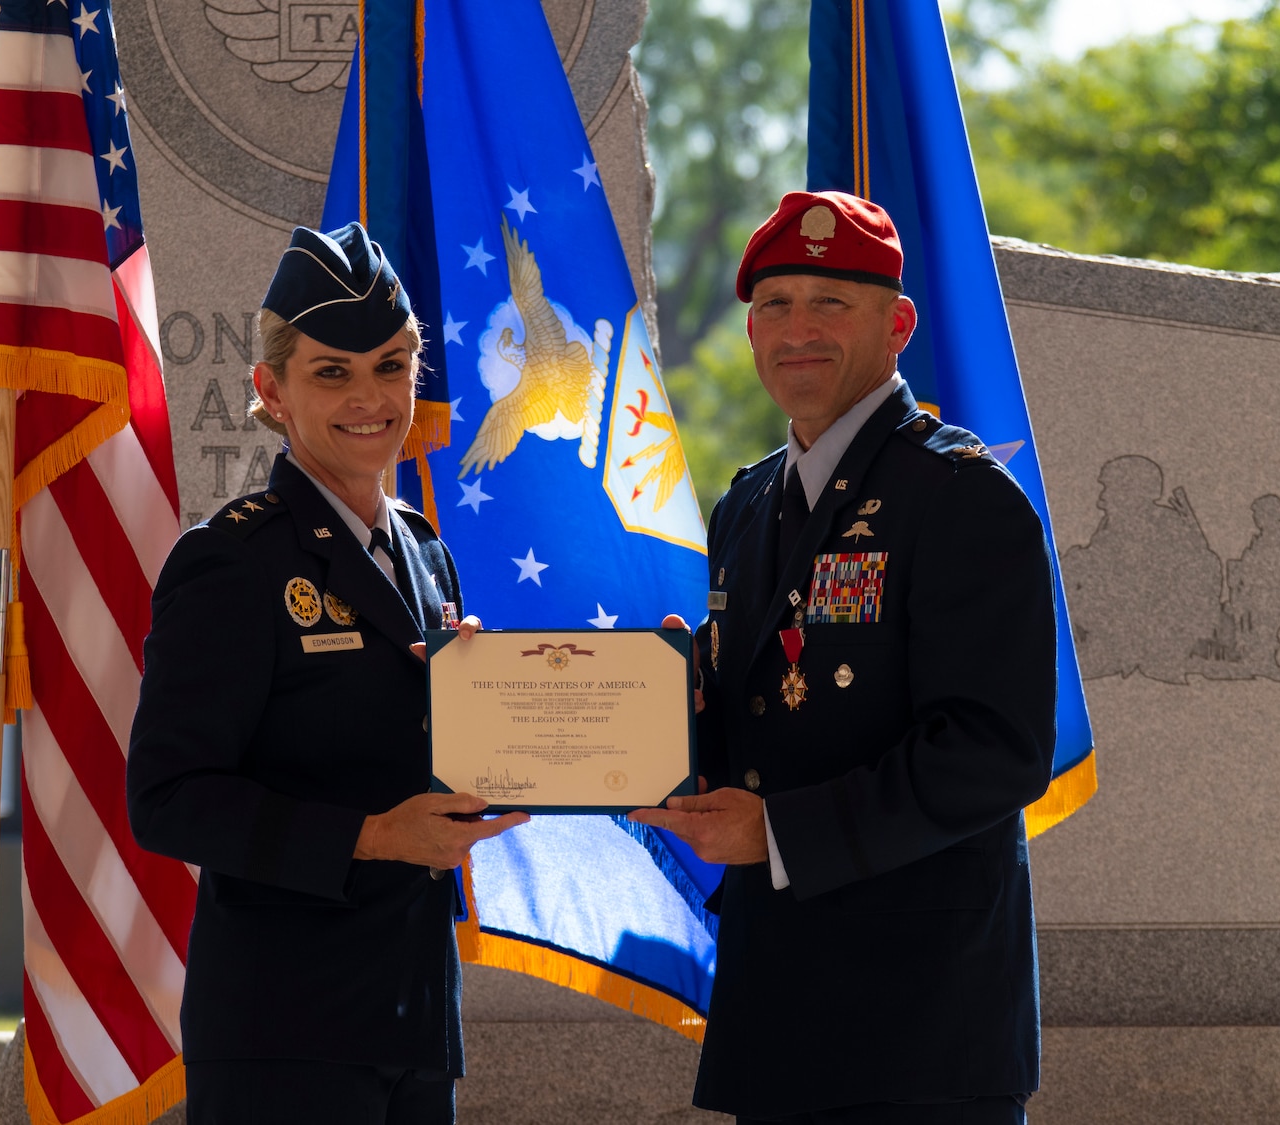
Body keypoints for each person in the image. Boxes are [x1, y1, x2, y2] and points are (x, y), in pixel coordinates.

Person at [630, 191, 1057, 1124]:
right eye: (775, 304)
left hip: (921, 1031)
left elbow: (997, 750)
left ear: (897, 324)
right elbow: (760, 719)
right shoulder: (746, 505)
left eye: (832, 302)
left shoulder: (960, 498)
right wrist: (647, 708)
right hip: (779, 1016)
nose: (798, 331)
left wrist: (777, 832)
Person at [127, 223, 528, 1124]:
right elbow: (168, 799)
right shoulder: (231, 562)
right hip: (284, 1034)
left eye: (391, 365)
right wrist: (375, 836)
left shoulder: (424, 554)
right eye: (332, 372)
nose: (369, 397)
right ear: (271, 390)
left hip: (416, 1018)